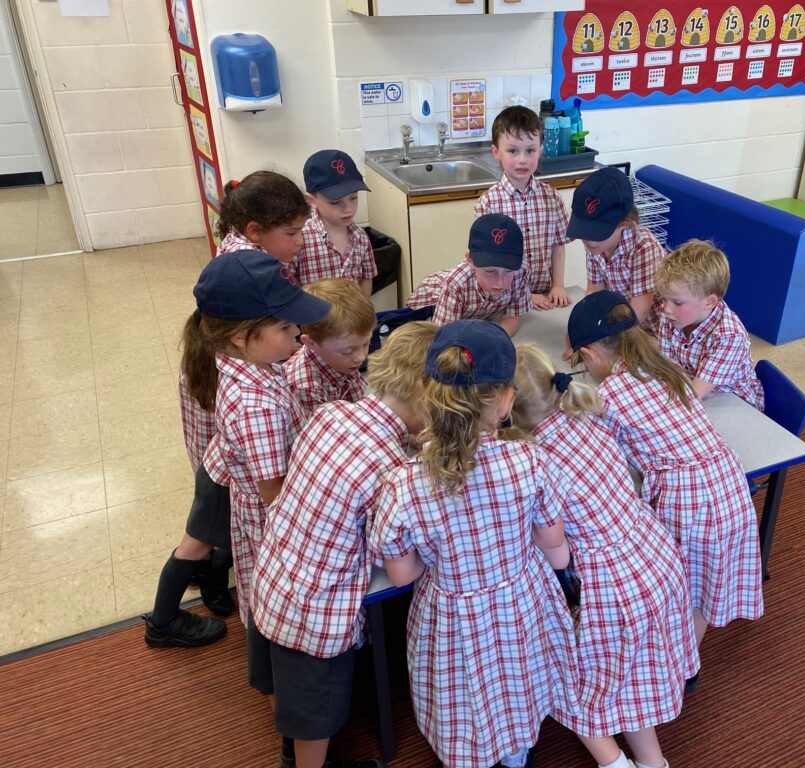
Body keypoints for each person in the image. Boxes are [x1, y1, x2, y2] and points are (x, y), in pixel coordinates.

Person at [368, 320, 578, 768]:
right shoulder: (530, 461)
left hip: (451, 618)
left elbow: (403, 574)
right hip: (521, 603)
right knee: (519, 683)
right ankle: (516, 754)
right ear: (505, 400)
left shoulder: (401, 484)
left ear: (427, 391)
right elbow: (554, 545)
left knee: (460, 698)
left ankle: (467, 756)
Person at [249, 322, 437, 768]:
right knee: (317, 715)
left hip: (274, 581)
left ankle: (292, 751)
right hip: (320, 614)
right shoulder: (391, 468)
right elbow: (392, 554)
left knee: (294, 702)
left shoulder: (332, 413)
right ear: (425, 396)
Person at [509, 344, 699, 768]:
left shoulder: (537, 460)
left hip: (611, 584)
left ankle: (615, 764)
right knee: (624, 677)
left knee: (573, 682)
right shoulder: (585, 416)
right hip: (653, 555)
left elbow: (557, 555)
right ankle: (654, 762)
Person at [566, 290, 764, 657]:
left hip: (687, 501)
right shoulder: (665, 370)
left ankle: (675, 662)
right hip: (729, 483)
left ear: (590, 355)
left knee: (682, 583)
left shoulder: (610, 395)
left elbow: (602, 460)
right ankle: (689, 660)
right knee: (703, 583)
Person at [193, 250, 330, 630]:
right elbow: (274, 491)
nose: (298, 336)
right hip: (274, 520)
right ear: (240, 337)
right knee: (278, 609)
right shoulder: (257, 407)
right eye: (285, 329)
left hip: (266, 505)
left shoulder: (256, 367)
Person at [142, 339, 236, 648]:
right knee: (196, 544)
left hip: (215, 468)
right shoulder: (221, 372)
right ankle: (163, 620)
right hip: (222, 474)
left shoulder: (209, 353)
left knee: (211, 538)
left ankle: (210, 575)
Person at [474, 106, 571, 310]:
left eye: (530, 150)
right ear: (496, 152)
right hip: (506, 298)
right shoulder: (488, 203)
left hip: (546, 295)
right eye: (512, 151)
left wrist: (558, 286)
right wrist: (525, 295)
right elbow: (488, 265)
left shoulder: (552, 198)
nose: (522, 159)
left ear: (541, 149)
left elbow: (558, 246)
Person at [655, 239, 764, 410]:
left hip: (736, 405)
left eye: (677, 302)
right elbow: (668, 370)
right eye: (664, 299)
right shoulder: (672, 316)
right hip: (699, 393)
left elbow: (693, 395)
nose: (665, 308)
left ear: (709, 302)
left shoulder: (729, 337)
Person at [567, 168, 664, 329]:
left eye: (597, 233)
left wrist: (604, 339)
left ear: (624, 224)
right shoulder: (595, 246)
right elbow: (594, 293)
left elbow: (640, 311)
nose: (589, 240)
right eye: (585, 232)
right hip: (621, 322)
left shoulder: (644, 247)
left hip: (651, 331)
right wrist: (583, 330)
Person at [405, 213, 531, 336]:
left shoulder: (522, 272)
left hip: (471, 316)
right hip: (428, 305)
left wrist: (495, 340)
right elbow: (444, 335)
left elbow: (512, 317)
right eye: (490, 271)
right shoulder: (455, 284)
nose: (500, 282)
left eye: (508, 271)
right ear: (470, 259)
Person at [284, 278, 375, 414]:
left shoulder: (343, 360)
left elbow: (358, 406)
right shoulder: (305, 386)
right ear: (311, 343)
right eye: (348, 351)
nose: (361, 357)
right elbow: (325, 433)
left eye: (366, 343)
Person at [294, 150, 377, 296]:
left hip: (353, 317)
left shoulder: (361, 237)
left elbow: (367, 277)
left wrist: (363, 313)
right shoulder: (300, 239)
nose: (348, 209)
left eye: (353, 198)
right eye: (335, 202)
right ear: (311, 200)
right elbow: (289, 288)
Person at [216, 170, 310, 273]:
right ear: (256, 231)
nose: (300, 241)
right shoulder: (247, 266)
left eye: (301, 230)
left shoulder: (270, 251)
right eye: (291, 233)